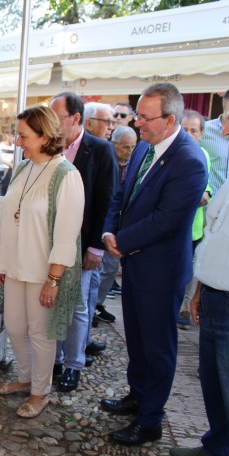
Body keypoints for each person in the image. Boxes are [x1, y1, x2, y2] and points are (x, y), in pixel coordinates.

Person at [101, 83, 207, 446]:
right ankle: (138, 395)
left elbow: (168, 219)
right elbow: (122, 195)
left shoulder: (190, 160)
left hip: (161, 270)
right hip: (133, 262)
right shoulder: (146, 145)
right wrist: (109, 232)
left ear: (170, 119)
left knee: (157, 346)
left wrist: (122, 241)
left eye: (145, 118)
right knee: (137, 338)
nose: (137, 123)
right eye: (137, 115)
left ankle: (150, 421)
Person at [168, 88, 229, 456]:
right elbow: (220, 233)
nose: (226, 132)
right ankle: (217, 449)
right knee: (217, 387)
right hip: (220, 298)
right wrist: (203, 287)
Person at [0, 105, 84, 419]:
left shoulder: (66, 175)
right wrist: (2, 262)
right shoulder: (23, 169)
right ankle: (24, 377)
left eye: (24, 136)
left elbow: (67, 235)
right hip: (15, 267)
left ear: (45, 137)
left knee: (42, 335)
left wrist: (54, 279)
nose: (18, 142)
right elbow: (8, 216)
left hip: (43, 272)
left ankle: (39, 392)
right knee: (15, 329)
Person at [50, 92, 117, 391]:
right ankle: (52, 358)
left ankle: (73, 364)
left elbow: (107, 200)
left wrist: (95, 247)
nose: (51, 124)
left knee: (78, 306)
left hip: (83, 242)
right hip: (50, 242)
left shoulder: (100, 150)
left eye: (57, 118)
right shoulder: (49, 147)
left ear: (75, 119)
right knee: (51, 302)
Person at [95, 125, 138, 324]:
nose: (129, 151)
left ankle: (97, 304)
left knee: (110, 269)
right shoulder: (104, 160)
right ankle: (91, 307)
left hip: (118, 227)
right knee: (98, 270)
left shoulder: (133, 166)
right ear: (114, 145)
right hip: (100, 224)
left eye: (132, 147)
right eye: (125, 147)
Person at [177, 110, 212, 331]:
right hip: (176, 228)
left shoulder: (203, 155)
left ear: (201, 134)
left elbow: (205, 190)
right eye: (185, 129)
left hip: (193, 228)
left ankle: (184, 308)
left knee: (190, 271)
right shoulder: (172, 154)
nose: (189, 134)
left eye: (193, 130)